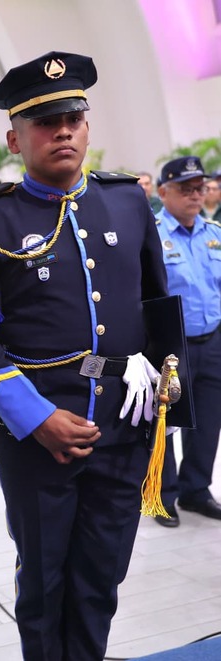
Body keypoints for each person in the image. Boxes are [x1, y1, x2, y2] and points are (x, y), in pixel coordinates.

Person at [0, 52, 168, 660]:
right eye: (45, 122)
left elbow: (157, 304)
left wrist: (172, 405)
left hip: (123, 424)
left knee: (101, 577)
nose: (62, 131)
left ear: (87, 126)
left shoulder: (126, 201)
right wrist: (35, 416)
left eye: (73, 118)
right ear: (15, 139)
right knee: (43, 582)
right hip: (38, 434)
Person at [154, 156, 221, 527]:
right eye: (185, 189)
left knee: (208, 420)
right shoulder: (152, 236)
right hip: (171, 346)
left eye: (199, 188)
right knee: (163, 421)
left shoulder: (214, 233)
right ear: (163, 192)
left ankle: (196, 490)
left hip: (213, 342)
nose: (195, 195)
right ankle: (162, 496)